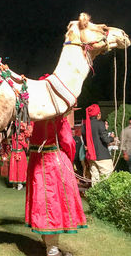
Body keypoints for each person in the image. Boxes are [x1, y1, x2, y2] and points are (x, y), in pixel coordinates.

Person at [25, 116, 87, 256]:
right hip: (54, 164)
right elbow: (68, 142)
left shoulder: (37, 119)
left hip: (37, 164)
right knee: (55, 206)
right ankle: (52, 250)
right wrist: (68, 159)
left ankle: (48, 243)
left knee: (42, 205)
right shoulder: (59, 119)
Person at [81, 104, 117, 186]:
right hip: (103, 156)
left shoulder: (84, 126)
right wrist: (112, 138)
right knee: (108, 179)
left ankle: (96, 197)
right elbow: (106, 140)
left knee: (95, 180)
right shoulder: (100, 124)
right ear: (98, 114)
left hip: (91, 156)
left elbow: (86, 143)